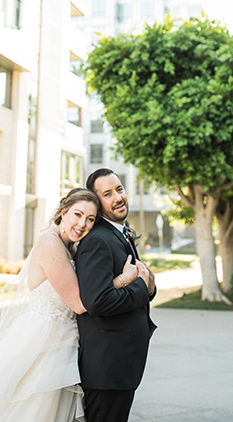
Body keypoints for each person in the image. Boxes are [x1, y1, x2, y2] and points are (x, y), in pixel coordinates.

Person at [0, 187, 141, 422]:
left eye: (90, 219)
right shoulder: (49, 243)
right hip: (45, 342)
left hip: (66, 339)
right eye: (78, 214)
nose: (83, 224)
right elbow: (80, 304)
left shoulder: (72, 245)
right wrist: (124, 279)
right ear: (63, 212)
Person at [75, 168, 157, 422]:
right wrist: (143, 288)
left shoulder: (120, 232)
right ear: (97, 204)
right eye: (107, 194)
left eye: (119, 189)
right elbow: (97, 301)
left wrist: (149, 287)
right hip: (106, 370)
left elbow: (138, 279)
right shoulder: (97, 241)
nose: (117, 197)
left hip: (120, 366)